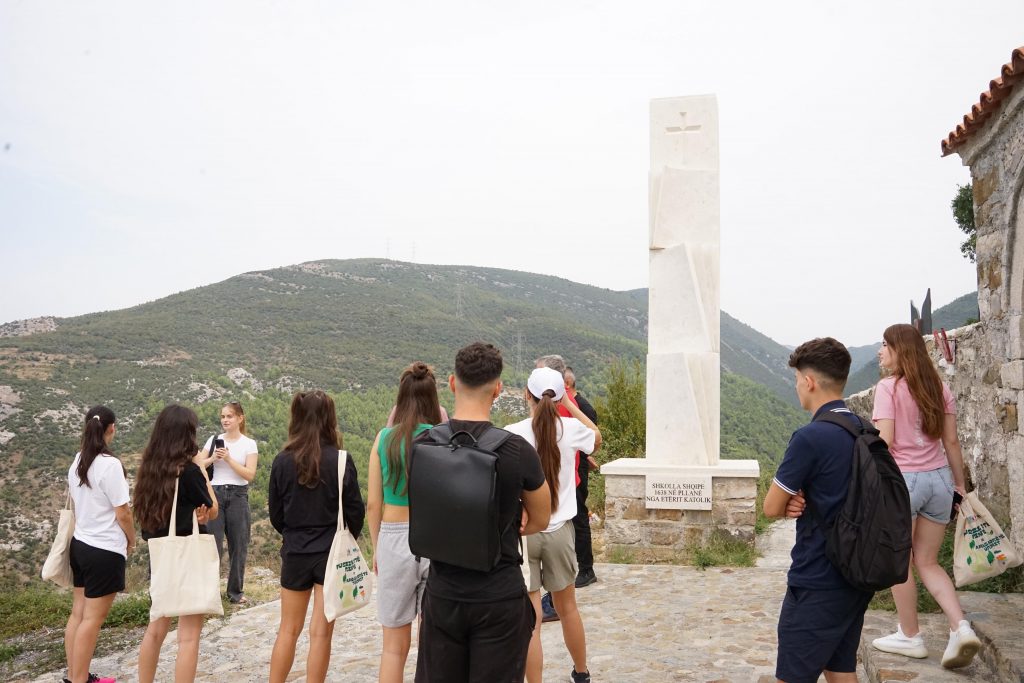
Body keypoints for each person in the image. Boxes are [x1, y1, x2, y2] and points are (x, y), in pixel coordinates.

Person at [413, 342, 551, 683]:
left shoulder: (424, 445)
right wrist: (514, 519)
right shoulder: (517, 451)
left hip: (443, 593)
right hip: (498, 593)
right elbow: (541, 518)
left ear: (451, 383)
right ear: (499, 388)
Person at [869, 324, 981, 668]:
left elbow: (884, 439)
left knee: (900, 563)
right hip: (939, 483)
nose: (880, 351)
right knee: (929, 562)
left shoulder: (888, 388)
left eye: (885, 345)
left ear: (900, 350)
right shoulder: (939, 388)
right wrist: (960, 487)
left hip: (904, 484)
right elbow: (951, 442)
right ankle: (959, 627)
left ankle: (910, 635)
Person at [763, 337, 873, 683]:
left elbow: (770, 507)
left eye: (797, 379)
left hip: (817, 577)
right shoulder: (864, 429)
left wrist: (793, 497)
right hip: (856, 574)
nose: (796, 387)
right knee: (840, 670)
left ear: (809, 381)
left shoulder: (810, 437)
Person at [505, 366, 601, 683]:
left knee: (531, 620)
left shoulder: (513, 432)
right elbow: (597, 439)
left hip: (525, 532)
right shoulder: (571, 429)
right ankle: (582, 673)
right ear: (558, 397)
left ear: (526, 395)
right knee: (568, 608)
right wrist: (569, 405)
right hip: (560, 531)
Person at [268, 390, 365, 683]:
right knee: (321, 633)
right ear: (329, 419)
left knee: (288, 629)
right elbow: (355, 511)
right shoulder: (340, 460)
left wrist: (295, 534)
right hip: (331, 553)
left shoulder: (282, 461)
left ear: (296, 418)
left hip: (296, 551)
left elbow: (276, 514)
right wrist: (345, 540)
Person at [368, 362, 444, 683]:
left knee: (393, 649)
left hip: (394, 538)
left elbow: (374, 503)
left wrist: (377, 548)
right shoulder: (442, 439)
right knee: (435, 643)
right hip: (435, 540)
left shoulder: (384, 439)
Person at [134, 404, 218, 683]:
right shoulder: (189, 472)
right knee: (188, 637)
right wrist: (202, 469)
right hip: (188, 555)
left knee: (155, 630)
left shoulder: (148, 471)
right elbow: (213, 508)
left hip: (160, 558)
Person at [63, 406, 135, 683]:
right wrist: (131, 540)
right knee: (92, 621)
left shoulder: (79, 459)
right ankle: (79, 680)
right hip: (104, 550)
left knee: (78, 614)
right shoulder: (110, 465)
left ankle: (74, 675)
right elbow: (123, 513)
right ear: (112, 428)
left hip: (80, 545)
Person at [195, 400, 258, 604]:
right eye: (222, 416)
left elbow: (249, 474)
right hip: (215, 494)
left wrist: (229, 460)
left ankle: (235, 592)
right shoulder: (213, 440)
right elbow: (198, 465)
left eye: (229, 416)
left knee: (238, 544)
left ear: (240, 418)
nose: (225, 420)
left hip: (239, 495)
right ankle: (210, 593)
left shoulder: (249, 444)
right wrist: (214, 458)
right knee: (212, 544)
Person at [564, 366, 600, 589]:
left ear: (566, 385)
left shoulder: (584, 407)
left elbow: (591, 439)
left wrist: (586, 457)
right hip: (572, 465)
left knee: (579, 517)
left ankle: (587, 569)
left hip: (578, 468)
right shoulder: (571, 405)